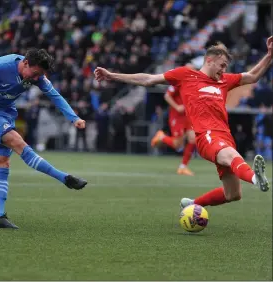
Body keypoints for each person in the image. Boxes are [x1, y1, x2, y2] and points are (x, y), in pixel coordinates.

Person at [94, 37, 272, 211]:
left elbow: (252, 76)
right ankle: (256, 178)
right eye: (222, 65)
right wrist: (112, 75)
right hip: (206, 136)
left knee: (233, 194)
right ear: (210, 59)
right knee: (232, 157)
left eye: (226, 67)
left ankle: (193, 204)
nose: (224, 69)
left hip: (225, 136)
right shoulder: (185, 75)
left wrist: (270, 54)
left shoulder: (225, 80)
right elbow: (148, 79)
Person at [0, 48, 88, 229]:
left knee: (2, 162)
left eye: (41, 75)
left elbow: (55, 96)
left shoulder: (38, 76)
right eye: (35, 74)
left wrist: (74, 118)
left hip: (6, 114)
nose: (37, 79)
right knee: (18, 142)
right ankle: (63, 177)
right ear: (25, 63)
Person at [151, 61, 197, 176]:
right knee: (178, 145)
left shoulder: (194, 84)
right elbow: (167, 96)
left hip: (188, 116)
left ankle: (183, 167)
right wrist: (177, 107)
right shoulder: (178, 82)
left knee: (193, 139)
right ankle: (161, 136)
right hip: (177, 115)